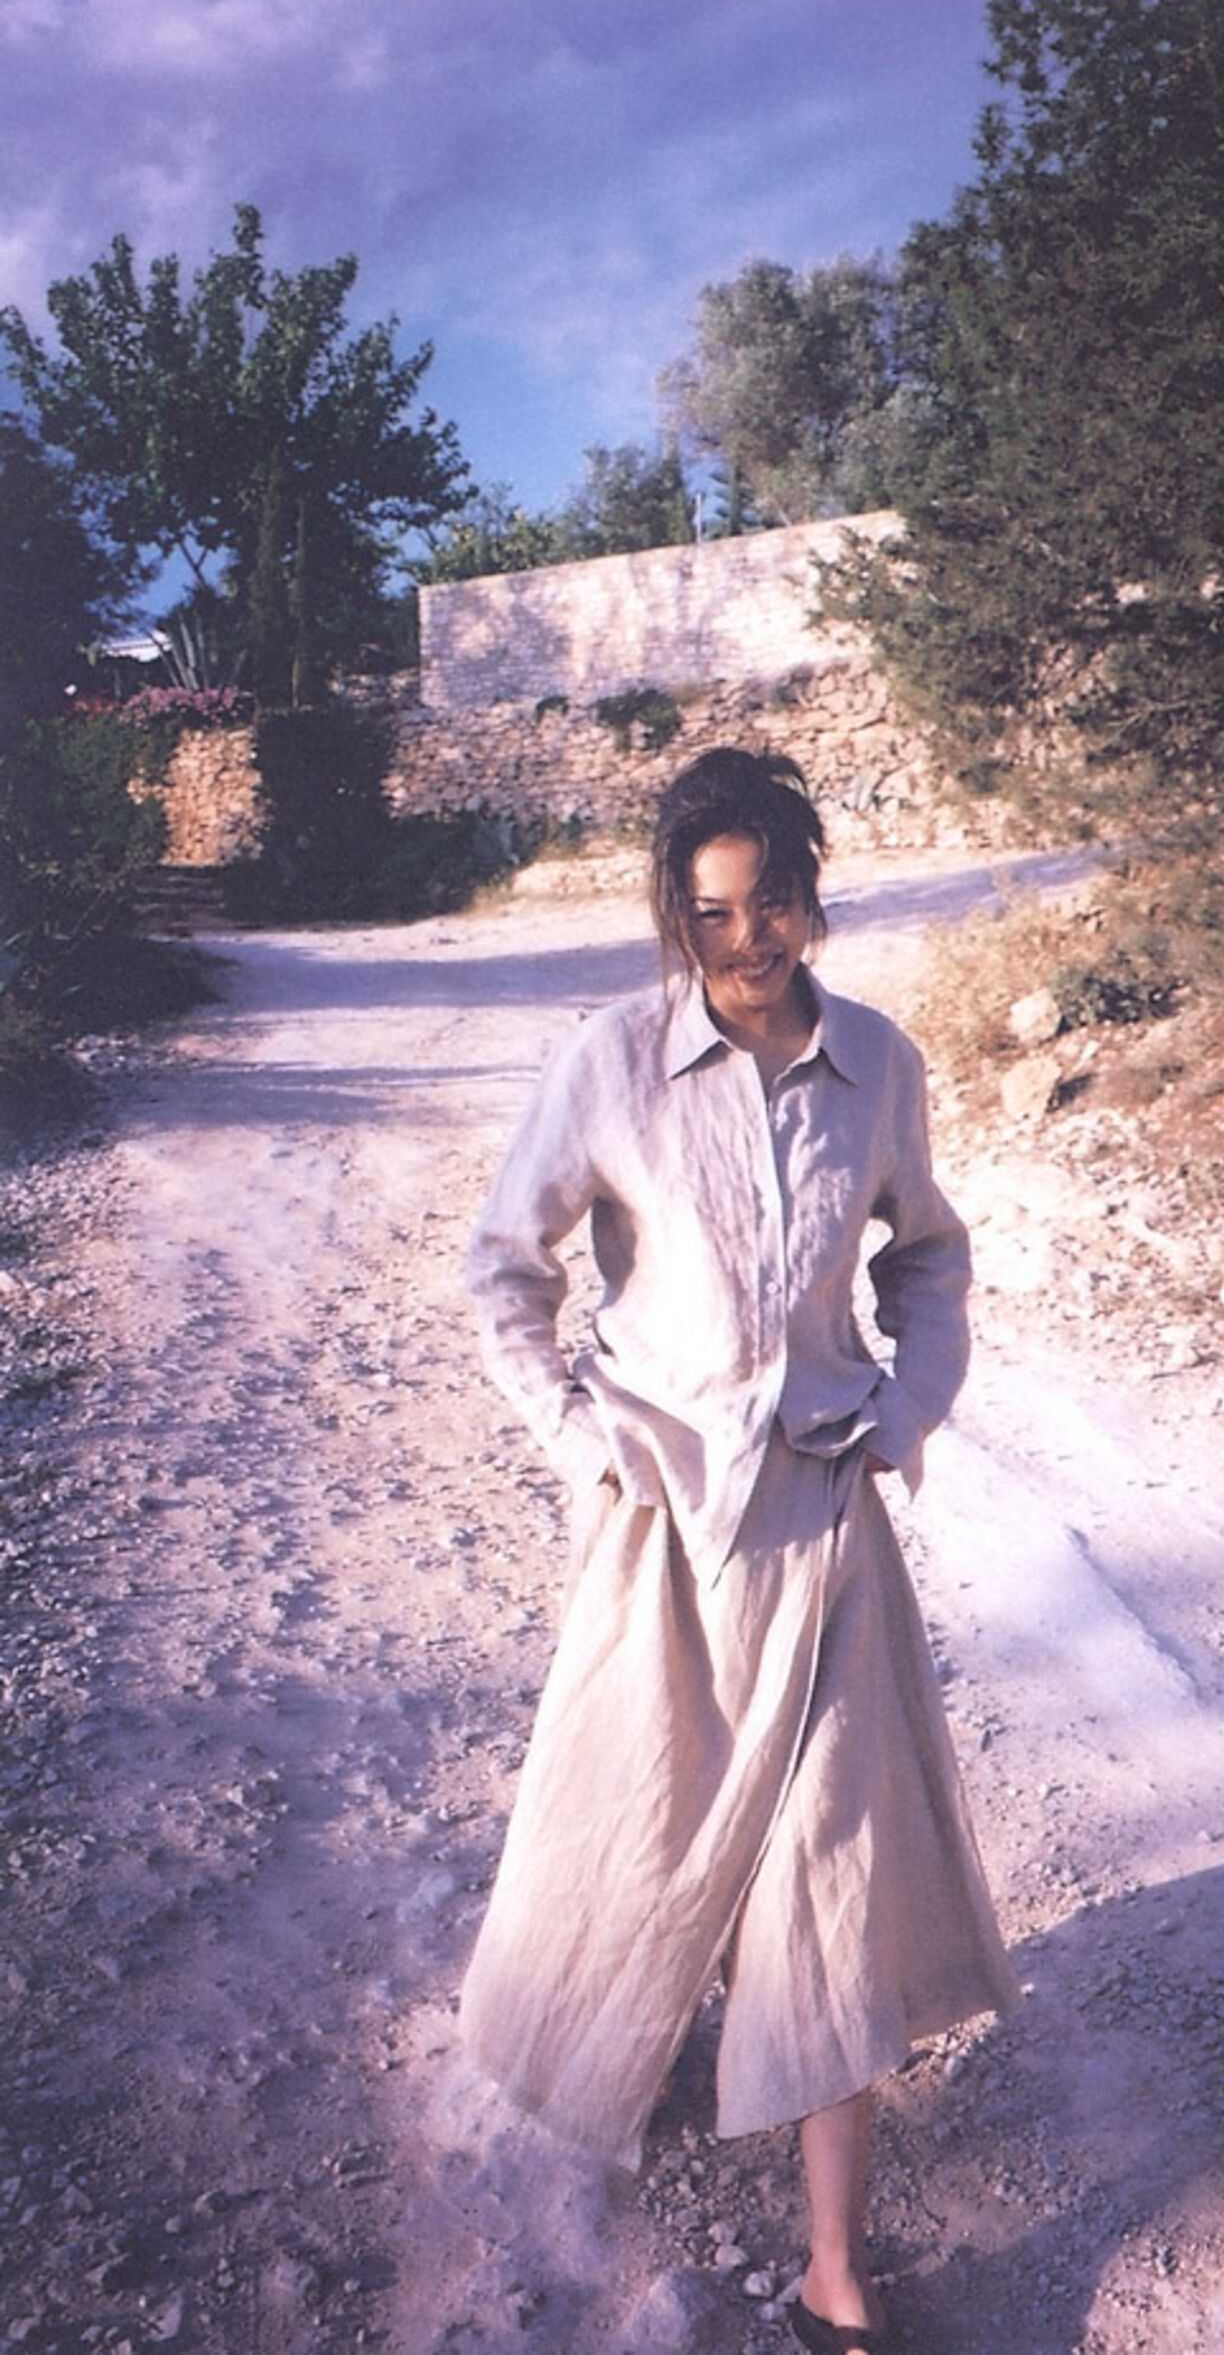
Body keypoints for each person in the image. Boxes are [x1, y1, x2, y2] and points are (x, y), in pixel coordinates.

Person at [457, 746, 1020, 2353]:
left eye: (770, 902)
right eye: (711, 914)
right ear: (675, 916)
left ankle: (835, 2268)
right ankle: (638, 2055)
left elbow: (930, 1257)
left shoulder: (879, 1064)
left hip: (822, 1526)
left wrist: (906, 1408)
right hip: (668, 1539)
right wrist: (588, 1440)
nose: (747, 939)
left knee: (830, 1873)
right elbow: (504, 1269)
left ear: (807, 894)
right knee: (642, 1839)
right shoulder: (613, 1064)